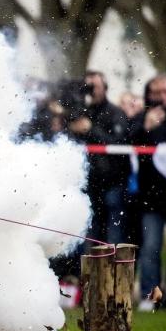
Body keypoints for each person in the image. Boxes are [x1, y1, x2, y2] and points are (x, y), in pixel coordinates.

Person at [130, 74, 166, 311]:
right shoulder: (141, 118)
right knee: (151, 248)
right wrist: (146, 127)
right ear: (149, 94)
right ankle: (151, 297)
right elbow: (129, 142)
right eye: (158, 92)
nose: (163, 97)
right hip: (150, 198)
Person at [67, 71, 131, 245]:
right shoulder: (80, 112)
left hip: (112, 183)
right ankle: (88, 272)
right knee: (89, 233)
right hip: (88, 183)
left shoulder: (115, 112)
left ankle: (115, 272)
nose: (90, 90)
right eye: (87, 86)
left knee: (113, 236)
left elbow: (119, 143)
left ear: (105, 88)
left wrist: (91, 129)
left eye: (94, 86)